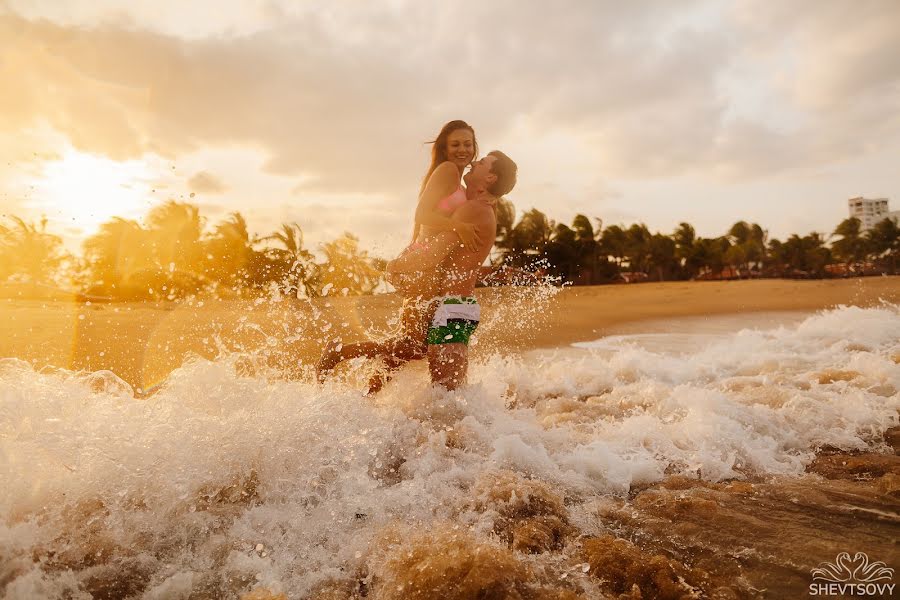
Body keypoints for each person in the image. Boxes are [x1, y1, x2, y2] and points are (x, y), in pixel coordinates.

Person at [315, 121, 480, 392]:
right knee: (415, 346)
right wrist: (459, 227)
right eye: (456, 144)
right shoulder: (448, 171)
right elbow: (422, 215)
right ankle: (340, 352)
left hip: (427, 265)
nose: (463, 149)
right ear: (445, 148)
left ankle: (369, 397)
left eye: (467, 144)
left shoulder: (456, 179)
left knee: (410, 344)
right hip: (424, 267)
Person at [424, 151, 518, 390]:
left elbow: (434, 253)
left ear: (490, 179)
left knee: (446, 391)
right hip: (457, 306)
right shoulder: (484, 206)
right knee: (448, 390)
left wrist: (393, 267)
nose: (474, 162)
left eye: (483, 163)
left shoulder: (474, 209)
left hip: (454, 306)